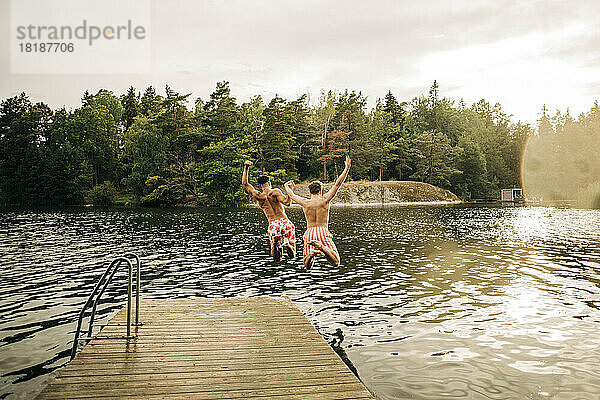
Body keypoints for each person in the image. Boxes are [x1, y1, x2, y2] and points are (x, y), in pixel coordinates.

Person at [284, 155, 351, 269]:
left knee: (307, 265)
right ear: (320, 190)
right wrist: (346, 169)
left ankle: (311, 254)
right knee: (336, 262)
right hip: (323, 231)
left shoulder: (305, 202)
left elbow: (291, 195)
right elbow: (337, 184)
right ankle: (322, 247)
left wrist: (286, 186)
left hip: (310, 232)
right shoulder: (325, 200)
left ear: (310, 191)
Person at [242, 160, 296, 261]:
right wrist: (290, 191)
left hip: (273, 224)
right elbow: (287, 203)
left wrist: (246, 167)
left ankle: (275, 244)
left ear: (260, 185)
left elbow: (245, 184)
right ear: (269, 183)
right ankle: (288, 244)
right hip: (284, 221)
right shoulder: (275, 192)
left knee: (276, 258)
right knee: (293, 255)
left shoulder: (258, 195)